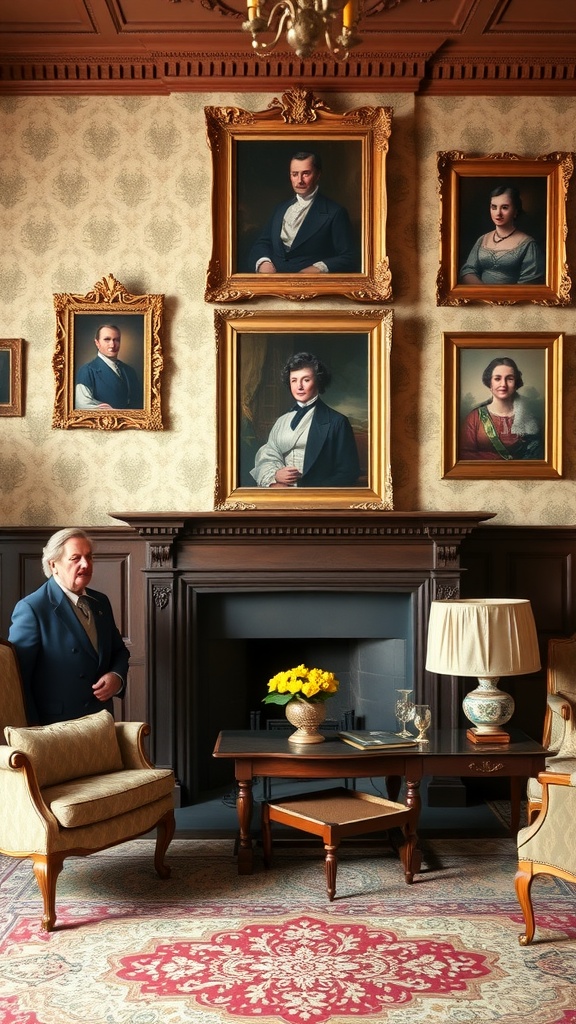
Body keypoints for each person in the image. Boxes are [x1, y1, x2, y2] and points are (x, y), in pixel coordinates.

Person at [8, 528, 129, 725]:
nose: (85, 564)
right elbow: (19, 680)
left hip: (100, 720)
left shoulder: (100, 602)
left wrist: (117, 676)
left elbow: (119, 650)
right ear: (53, 564)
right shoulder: (32, 608)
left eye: (89, 557)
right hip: (56, 728)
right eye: (75, 558)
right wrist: (32, 732)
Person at [250, 352, 361, 487]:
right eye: (294, 380)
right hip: (279, 492)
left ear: (318, 382)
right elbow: (268, 454)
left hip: (316, 498)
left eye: (306, 380)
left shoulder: (337, 422)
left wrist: (309, 494)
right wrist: (275, 476)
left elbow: (348, 473)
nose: (299, 386)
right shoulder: (281, 421)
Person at [248, 152, 359, 274]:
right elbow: (263, 242)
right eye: (295, 174)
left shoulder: (335, 212)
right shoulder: (280, 208)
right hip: (273, 282)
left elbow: (349, 257)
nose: (299, 180)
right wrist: (264, 262)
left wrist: (318, 268)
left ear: (317, 175)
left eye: (306, 173)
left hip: (310, 286)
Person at [459, 184, 545, 286]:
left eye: (504, 207)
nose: (498, 213)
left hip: (512, 300)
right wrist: (484, 292)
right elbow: (468, 269)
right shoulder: (483, 239)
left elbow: (530, 281)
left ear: (515, 211)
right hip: (480, 298)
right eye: (494, 207)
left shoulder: (528, 244)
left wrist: (499, 298)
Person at [460, 356, 543, 460]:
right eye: (497, 379)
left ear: (516, 383)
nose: (503, 384)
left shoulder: (531, 421)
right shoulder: (474, 418)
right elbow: (464, 455)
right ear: (490, 383)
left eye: (510, 379)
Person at [75, 324, 142, 409]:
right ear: (97, 343)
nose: (112, 345)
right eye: (107, 339)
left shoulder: (129, 370)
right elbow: (82, 405)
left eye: (116, 340)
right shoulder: (87, 371)